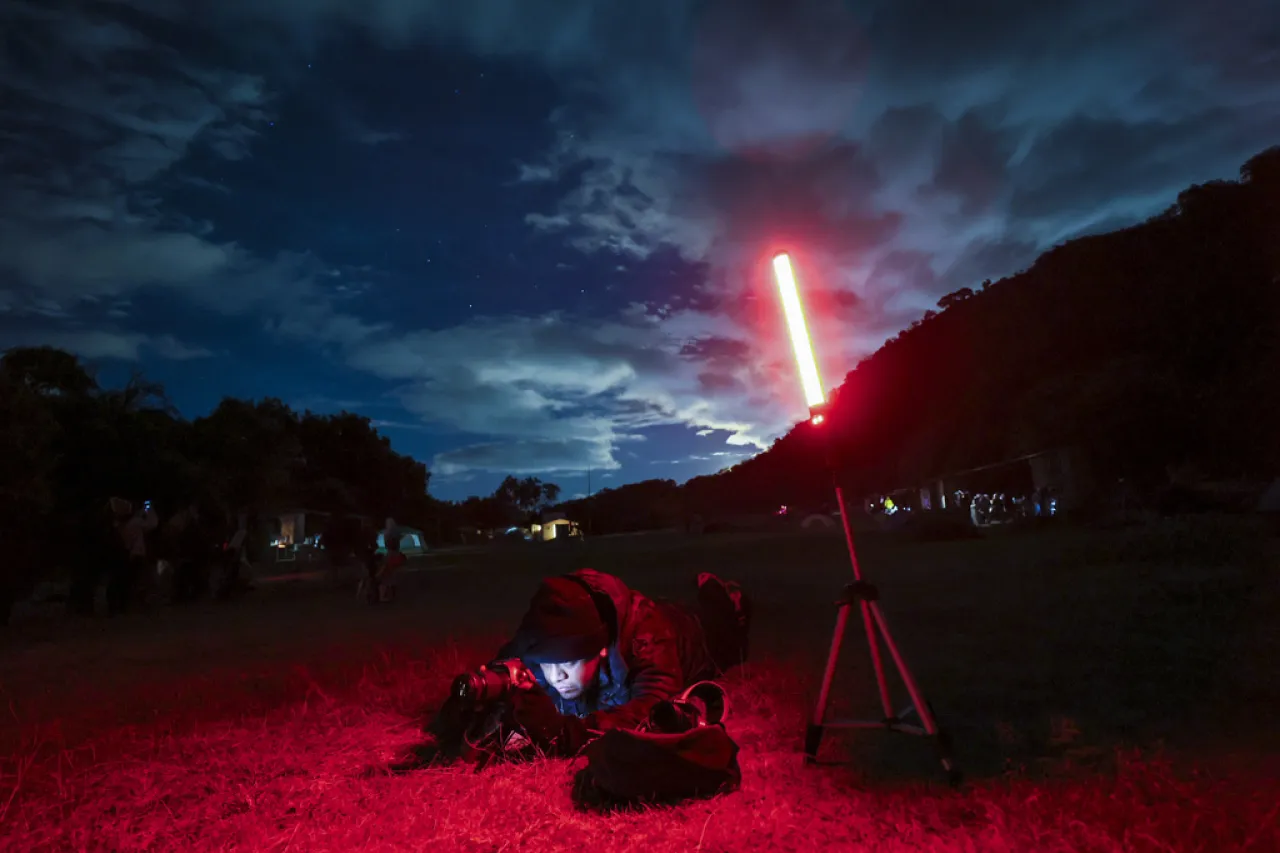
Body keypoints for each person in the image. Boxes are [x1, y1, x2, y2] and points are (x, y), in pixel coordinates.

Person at [477, 568, 750, 756]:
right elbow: (502, 668)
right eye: (548, 664)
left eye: (568, 664)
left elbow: (650, 708)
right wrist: (478, 697)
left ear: (602, 649)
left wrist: (567, 732)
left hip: (693, 634)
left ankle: (723, 595)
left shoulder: (647, 639)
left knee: (725, 634)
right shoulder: (552, 623)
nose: (555, 677)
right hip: (648, 614)